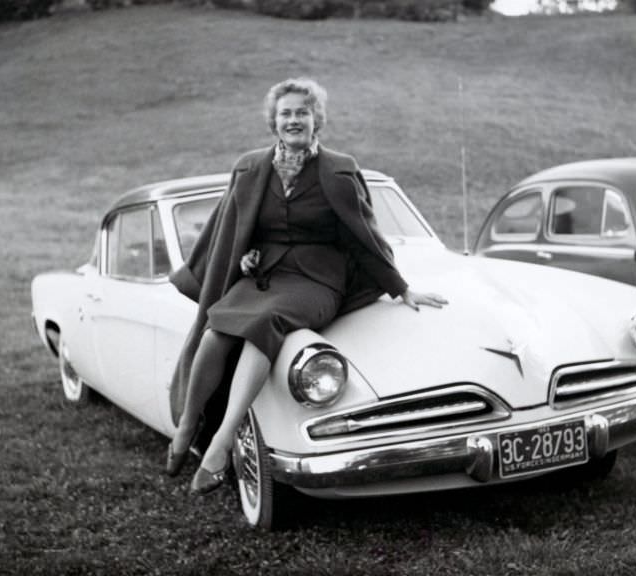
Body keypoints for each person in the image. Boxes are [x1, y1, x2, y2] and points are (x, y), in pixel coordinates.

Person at [166, 77, 448, 494]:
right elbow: (234, 229)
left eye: (302, 112)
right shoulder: (250, 168)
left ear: (317, 120)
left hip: (317, 281)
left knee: (265, 325)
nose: (294, 120)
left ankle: (221, 443)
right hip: (265, 277)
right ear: (273, 121)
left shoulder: (338, 170)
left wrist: (401, 287)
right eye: (286, 113)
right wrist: (245, 255)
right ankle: (188, 424)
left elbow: (365, 235)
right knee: (215, 329)